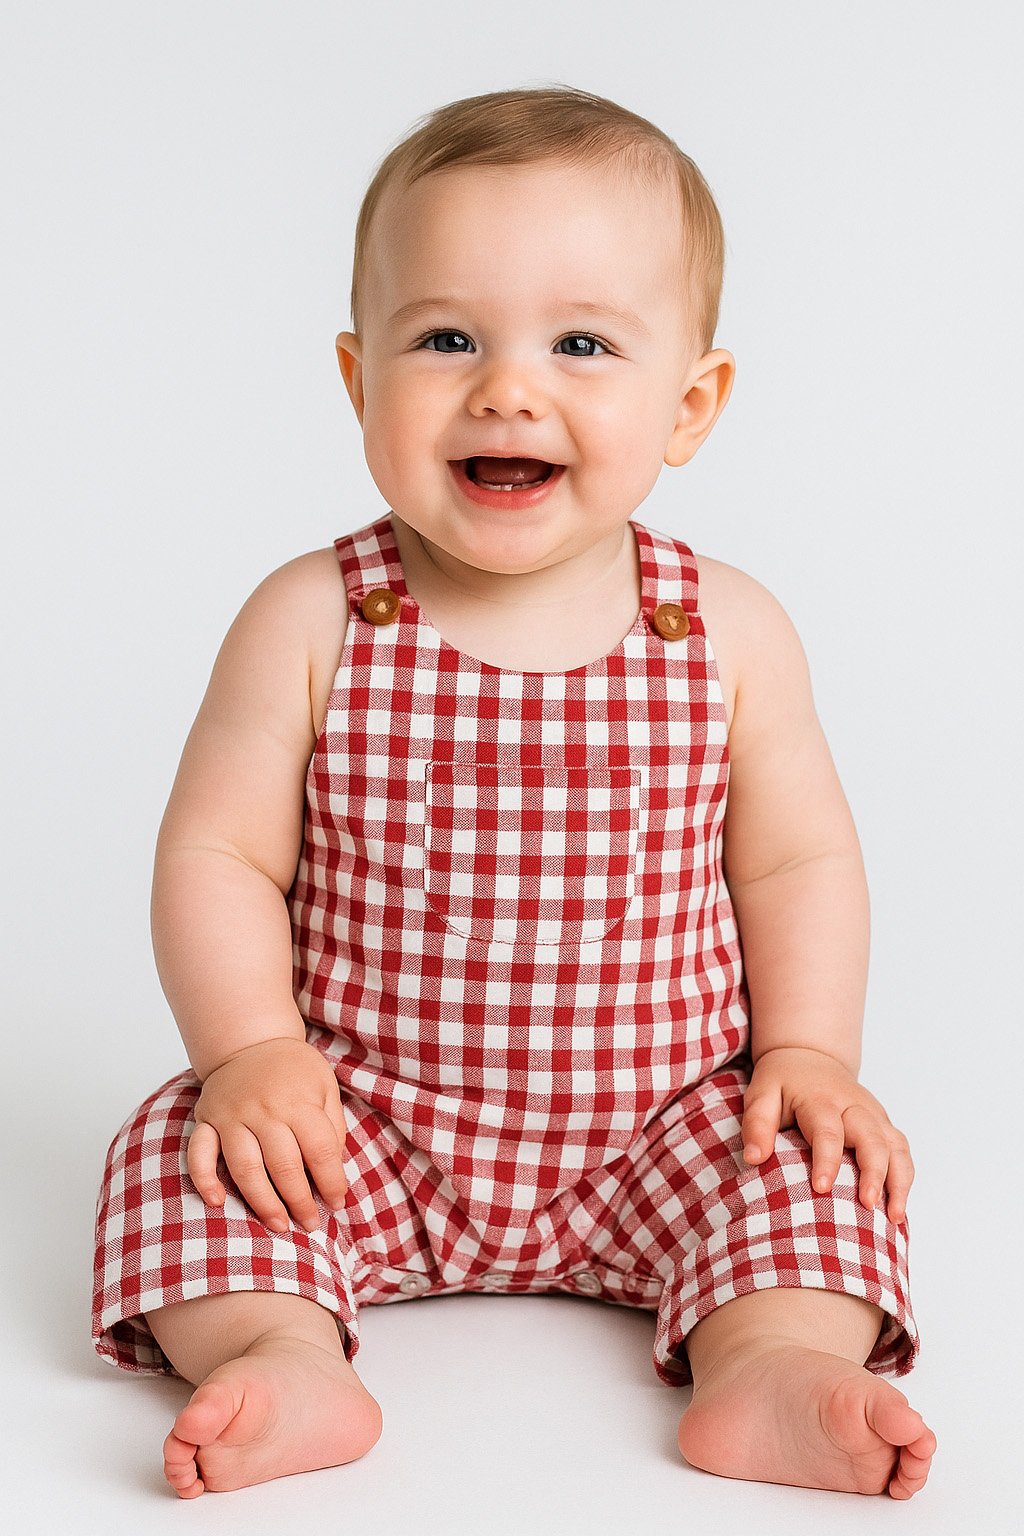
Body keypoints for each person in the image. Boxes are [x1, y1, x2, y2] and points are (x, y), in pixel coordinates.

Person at [92, 84, 937, 1501]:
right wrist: (250, 1052)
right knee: (179, 1158)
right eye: (445, 339)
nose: (507, 387)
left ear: (692, 403)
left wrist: (809, 1054)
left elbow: (795, 864)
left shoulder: (727, 631)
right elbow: (223, 853)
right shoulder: (316, 617)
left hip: (667, 1124)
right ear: (362, 384)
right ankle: (285, 1347)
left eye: (583, 343)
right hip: (358, 1118)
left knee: (821, 1178)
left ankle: (775, 1360)